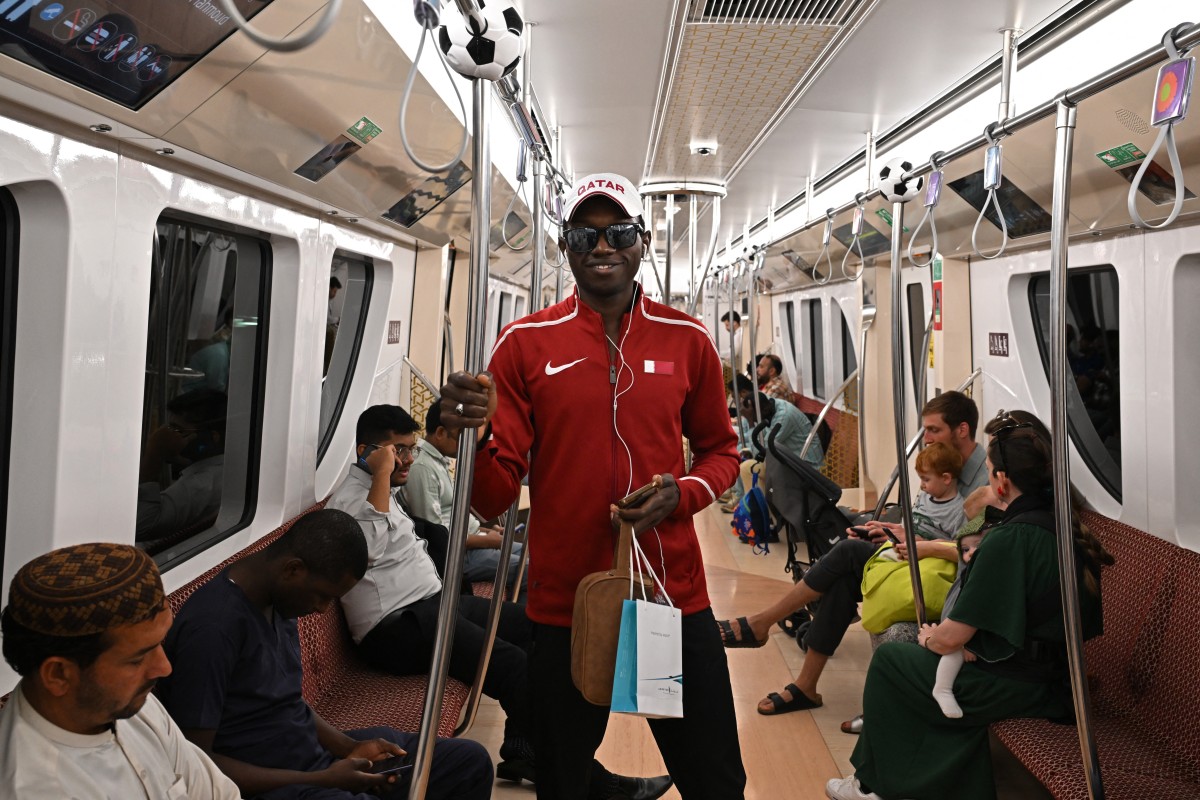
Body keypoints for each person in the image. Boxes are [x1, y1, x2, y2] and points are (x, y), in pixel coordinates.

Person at [441, 171, 746, 800]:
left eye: (619, 233)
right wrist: (467, 438)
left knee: (716, 779)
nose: (602, 247)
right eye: (585, 235)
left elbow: (721, 452)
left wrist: (681, 493)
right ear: (565, 246)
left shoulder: (688, 341)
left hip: (668, 596)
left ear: (641, 244)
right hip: (565, 605)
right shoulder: (524, 345)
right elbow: (494, 497)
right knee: (563, 779)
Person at [326, 405, 666, 799]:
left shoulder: (383, 490)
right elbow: (367, 551)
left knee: (532, 628)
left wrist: (386, 475)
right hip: (397, 628)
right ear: (367, 451)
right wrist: (382, 475)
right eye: (397, 451)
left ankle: (525, 750)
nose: (407, 460)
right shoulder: (352, 502)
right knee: (512, 668)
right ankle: (588, 778)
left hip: (432, 604)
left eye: (411, 450)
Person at [826, 414, 1113, 800]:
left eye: (991, 471)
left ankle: (875, 786)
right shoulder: (1062, 527)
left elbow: (950, 639)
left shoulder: (1009, 540)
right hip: (1053, 676)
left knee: (893, 660)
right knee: (921, 672)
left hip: (1020, 685)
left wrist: (929, 640)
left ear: (1002, 482)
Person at [158, 509, 493, 800]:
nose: (321, 609)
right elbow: (196, 760)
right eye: (322, 596)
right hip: (274, 783)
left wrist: (347, 748)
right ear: (293, 569)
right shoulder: (214, 629)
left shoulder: (280, 601)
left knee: (468, 763)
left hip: (312, 759)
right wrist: (321, 779)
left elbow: (286, 702)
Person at [716, 391, 987, 715]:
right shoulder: (942, 465)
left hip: (944, 574)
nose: (926, 439)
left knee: (846, 553)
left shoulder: (982, 482)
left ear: (962, 430)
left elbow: (977, 553)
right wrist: (896, 530)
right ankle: (805, 684)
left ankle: (764, 624)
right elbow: (927, 520)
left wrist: (921, 544)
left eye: (934, 430)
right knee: (844, 577)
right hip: (919, 552)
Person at [0, 543, 241, 799]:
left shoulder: (126, 701)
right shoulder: (34, 789)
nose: (164, 668)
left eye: (159, 643)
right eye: (137, 660)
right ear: (59, 674)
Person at [402, 400, 525, 596]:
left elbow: (452, 515)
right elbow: (438, 536)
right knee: (530, 572)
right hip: (459, 556)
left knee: (536, 558)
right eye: (463, 437)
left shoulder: (439, 462)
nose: (469, 445)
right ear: (441, 433)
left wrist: (487, 531)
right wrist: (489, 541)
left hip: (472, 542)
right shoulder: (423, 468)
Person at [136, 388, 227, 541]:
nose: (166, 435)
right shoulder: (223, 469)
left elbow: (141, 526)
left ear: (212, 437)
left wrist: (154, 453)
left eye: (177, 430)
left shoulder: (201, 484)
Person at [726, 374, 823, 514]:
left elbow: (762, 449)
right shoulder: (769, 405)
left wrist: (752, 422)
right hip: (787, 459)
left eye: (752, 416)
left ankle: (762, 513)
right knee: (744, 459)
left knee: (748, 467)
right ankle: (753, 508)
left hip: (804, 465)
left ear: (761, 413)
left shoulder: (783, 417)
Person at [930, 526, 988, 718]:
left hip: (975, 638)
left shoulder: (987, 577)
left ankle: (944, 688)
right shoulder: (967, 577)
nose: (970, 553)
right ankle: (942, 688)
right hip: (957, 634)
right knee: (953, 652)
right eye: (965, 550)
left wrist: (970, 645)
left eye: (976, 547)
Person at [910, 442, 966, 541]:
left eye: (926, 480)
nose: (921, 485)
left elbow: (959, 546)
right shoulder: (924, 496)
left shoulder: (958, 511)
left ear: (946, 478)